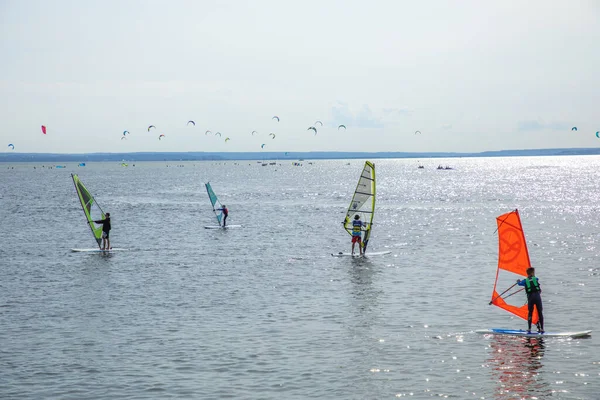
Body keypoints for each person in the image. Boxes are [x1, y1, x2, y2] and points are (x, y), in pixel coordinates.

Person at [517, 267, 544, 334]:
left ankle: (529, 329)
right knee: (540, 313)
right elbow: (539, 288)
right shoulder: (536, 279)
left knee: (530, 313)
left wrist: (518, 281)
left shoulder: (525, 281)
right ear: (532, 273)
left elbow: (519, 284)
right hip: (537, 298)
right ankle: (542, 329)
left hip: (531, 299)